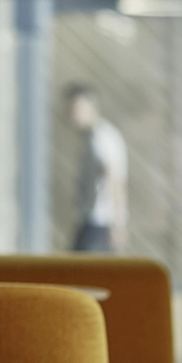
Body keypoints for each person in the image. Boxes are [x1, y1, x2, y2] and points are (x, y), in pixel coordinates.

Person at [64, 83, 129, 252]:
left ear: (91, 106)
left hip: (100, 224)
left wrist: (118, 225)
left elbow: (114, 179)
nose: (73, 113)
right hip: (91, 221)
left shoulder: (102, 137)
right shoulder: (90, 137)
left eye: (77, 107)